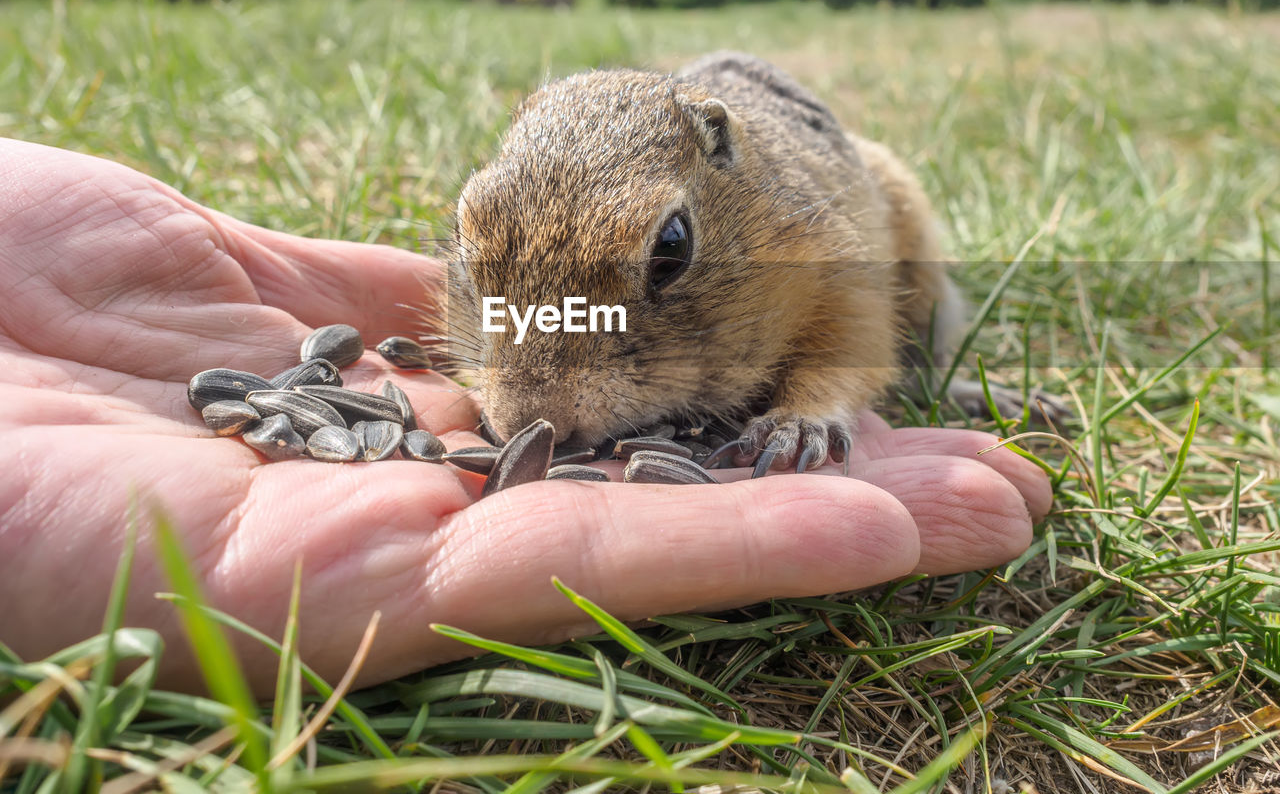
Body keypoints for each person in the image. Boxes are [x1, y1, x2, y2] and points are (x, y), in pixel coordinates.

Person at [0, 138, 1051, 694]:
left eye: (664, 257)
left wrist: (820, 398)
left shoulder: (786, 217)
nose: (540, 405)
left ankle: (944, 377)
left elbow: (841, 315)